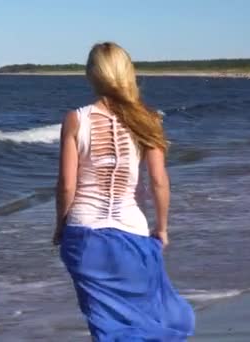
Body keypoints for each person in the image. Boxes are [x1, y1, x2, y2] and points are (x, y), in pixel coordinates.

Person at [53, 42, 195, 341]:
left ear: (93, 74)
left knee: (104, 322)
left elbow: (67, 184)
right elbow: (158, 180)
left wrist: (60, 226)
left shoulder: (76, 119)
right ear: (127, 73)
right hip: (132, 230)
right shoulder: (148, 118)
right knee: (141, 315)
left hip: (85, 233)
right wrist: (163, 227)